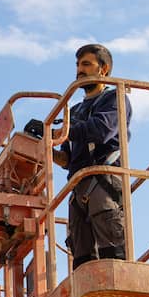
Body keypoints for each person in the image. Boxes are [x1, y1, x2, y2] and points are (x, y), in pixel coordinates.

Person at [52, 43, 132, 270]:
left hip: (103, 181)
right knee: (83, 261)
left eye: (86, 64)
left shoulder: (114, 98)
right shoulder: (75, 111)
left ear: (103, 69)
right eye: (78, 65)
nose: (79, 70)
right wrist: (45, 145)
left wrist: (60, 132)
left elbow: (101, 130)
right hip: (78, 188)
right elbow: (66, 159)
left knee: (112, 257)